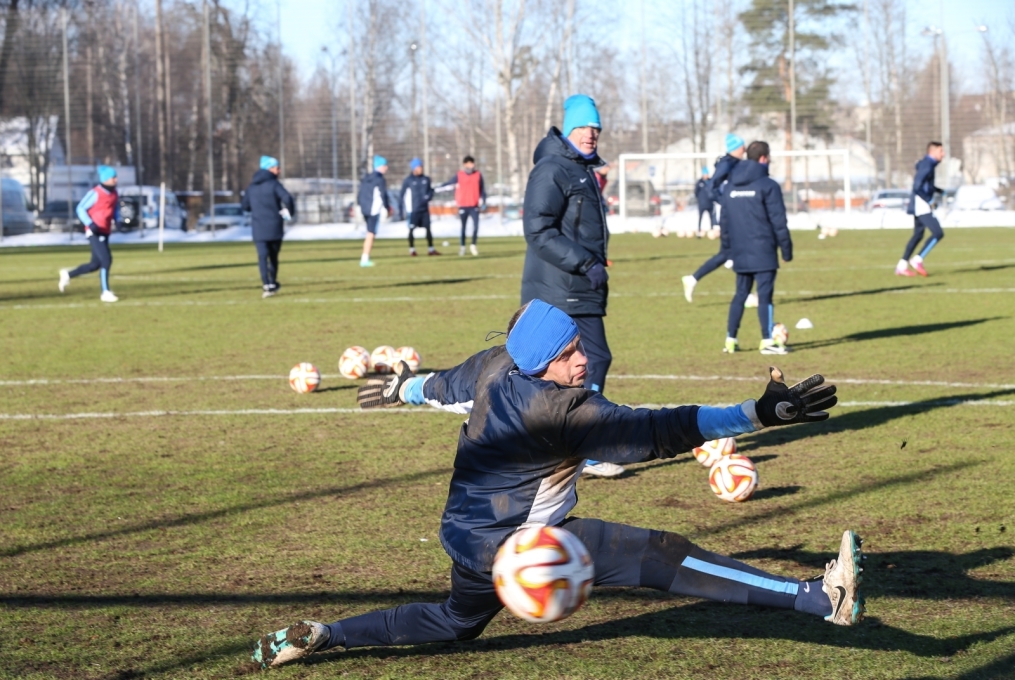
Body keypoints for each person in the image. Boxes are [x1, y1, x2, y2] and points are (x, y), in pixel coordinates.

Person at [249, 299, 864, 671]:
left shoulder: (496, 365)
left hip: (464, 538)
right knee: (659, 556)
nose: (583, 361)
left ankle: (326, 635)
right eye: (570, 354)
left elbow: (438, 386)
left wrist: (395, 388)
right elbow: (659, 431)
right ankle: (818, 599)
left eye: (580, 347)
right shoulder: (561, 410)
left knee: (453, 623)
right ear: (540, 364)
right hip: (523, 542)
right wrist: (757, 413)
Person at [520, 93, 621, 479]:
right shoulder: (553, 169)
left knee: (555, 369)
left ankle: (555, 441)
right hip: (562, 287)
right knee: (588, 360)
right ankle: (584, 447)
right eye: (583, 127)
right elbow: (538, 230)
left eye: (596, 128)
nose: (591, 134)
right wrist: (586, 262)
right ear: (568, 129)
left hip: (578, 285)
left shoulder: (579, 168)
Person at [721, 140, 792, 355]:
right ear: (763, 158)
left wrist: (727, 250)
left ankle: (730, 340)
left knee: (740, 294)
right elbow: (779, 221)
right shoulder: (768, 185)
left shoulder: (731, 186)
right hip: (763, 251)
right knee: (765, 297)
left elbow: (724, 221)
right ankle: (767, 340)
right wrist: (786, 250)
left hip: (739, 251)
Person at [681, 134, 745, 303]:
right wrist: (726, 202)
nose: (744, 150)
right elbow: (712, 187)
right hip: (729, 216)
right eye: (741, 147)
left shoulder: (734, 163)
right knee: (735, 253)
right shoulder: (727, 163)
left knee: (731, 253)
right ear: (735, 149)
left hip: (734, 215)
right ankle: (743, 294)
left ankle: (693, 279)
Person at [58, 165, 121, 302]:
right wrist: (90, 223)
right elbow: (80, 208)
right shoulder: (95, 193)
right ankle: (105, 292)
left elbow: (114, 209)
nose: (116, 179)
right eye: (113, 177)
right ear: (105, 179)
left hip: (105, 231)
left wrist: (118, 220)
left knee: (95, 265)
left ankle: (68, 275)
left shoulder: (114, 193)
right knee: (106, 259)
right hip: (94, 231)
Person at [240, 155, 295, 298]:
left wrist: (257, 209)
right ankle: (273, 281)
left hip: (258, 227)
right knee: (273, 256)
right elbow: (287, 198)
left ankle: (266, 284)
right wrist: (288, 214)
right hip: (275, 226)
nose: (279, 170)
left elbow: (245, 206)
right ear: (269, 168)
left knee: (262, 256)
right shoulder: (274, 184)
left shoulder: (252, 186)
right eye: (277, 167)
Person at [896, 142, 946, 277]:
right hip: (921, 205)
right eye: (941, 151)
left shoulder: (928, 164)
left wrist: (938, 190)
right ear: (932, 151)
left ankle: (901, 266)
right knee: (938, 233)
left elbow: (925, 184)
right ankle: (917, 260)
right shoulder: (927, 164)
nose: (944, 154)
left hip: (919, 204)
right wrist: (930, 201)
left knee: (918, 235)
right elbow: (917, 186)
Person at [438, 155, 486, 256]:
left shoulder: (478, 175)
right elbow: (449, 183)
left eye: (472, 163)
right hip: (463, 205)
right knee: (463, 227)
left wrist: (484, 201)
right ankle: (462, 247)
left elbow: (482, 189)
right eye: (469, 163)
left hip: (474, 206)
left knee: (476, 227)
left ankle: (473, 245)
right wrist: (437, 187)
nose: (471, 165)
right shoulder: (459, 175)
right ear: (465, 164)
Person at [400, 157, 439, 256]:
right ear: (414, 168)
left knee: (428, 229)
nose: (421, 168)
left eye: (421, 166)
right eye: (418, 167)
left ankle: (431, 249)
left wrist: (428, 197)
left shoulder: (426, 179)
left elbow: (430, 191)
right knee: (411, 229)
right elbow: (402, 195)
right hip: (414, 210)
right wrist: (401, 210)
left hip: (424, 210)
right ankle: (412, 250)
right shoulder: (408, 180)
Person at [357, 156, 391, 268]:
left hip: (365, 208)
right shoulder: (379, 179)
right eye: (385, 165)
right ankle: (365, 259)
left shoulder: (366, 177)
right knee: (371, 234)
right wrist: (387, 207)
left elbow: (360, 193)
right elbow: (383, 194)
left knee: (369, 233)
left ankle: (365, 257)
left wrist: (360, 205)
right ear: (380, 166)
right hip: (373, 210)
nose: (387, 168)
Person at [694, 165, 713, 237]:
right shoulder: (699, 182)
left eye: (707, 174)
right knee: (700, 217)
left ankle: (712, 230)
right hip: (702, 203)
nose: (706, 175)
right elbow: (696, 192)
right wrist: (700, 199)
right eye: (705, 174)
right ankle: (699, 231)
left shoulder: (711, 181)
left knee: (711, 217)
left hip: (710, 203)